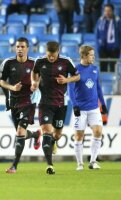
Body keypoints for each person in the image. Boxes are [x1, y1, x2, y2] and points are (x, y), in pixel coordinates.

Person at [31, 41, 80, 174]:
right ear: (46, 52)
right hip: (45, 103)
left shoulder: (66, 61)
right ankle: (49, 165)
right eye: (49, 55)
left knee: (57, 135)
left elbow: (77, 76)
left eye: (53, 55)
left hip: (60, 104)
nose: (51, 58)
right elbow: (34, 72)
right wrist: (34, 82)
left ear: (58, 51)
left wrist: (66, 80)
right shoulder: (40, 61)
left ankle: (53, 142)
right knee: (47, 131)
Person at [0, 37, 41, 174]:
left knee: (19, 132)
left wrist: (36, 85)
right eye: (18, 47)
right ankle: (35, 135)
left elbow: (41, 80)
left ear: (28, 48)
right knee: (20, 133)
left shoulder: (35, 64)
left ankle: (14, 166)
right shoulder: (9, 63)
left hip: (28, 101)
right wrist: (12, 88)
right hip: (15, 101)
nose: (20, 49)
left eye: (22, 47)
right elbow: (1, 82)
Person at [68, 45, 107, 170]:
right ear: (84, 56)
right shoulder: (75, 70)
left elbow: (98, 87)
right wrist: (75, 105)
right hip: (80, 109)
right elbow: (71, 89)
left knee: (98, 131)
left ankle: (93, 161)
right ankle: (80, 163)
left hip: (94, 108)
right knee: (79, 136)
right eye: (91, 55)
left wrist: (103, 103)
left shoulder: (95, 69)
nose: (93, 57)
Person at [95, 3, 121, 72]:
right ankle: (104, 82)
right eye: (105, 11)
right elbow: (97, 34)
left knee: (113, 69)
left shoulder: (117, 21)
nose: (107, 13)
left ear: (112, 11)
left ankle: (113, 82)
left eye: (109, 11)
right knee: (103, 68)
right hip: (103, 48)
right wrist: (99, 46)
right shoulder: (100, 20)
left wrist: (118, 46)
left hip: (114, 49)